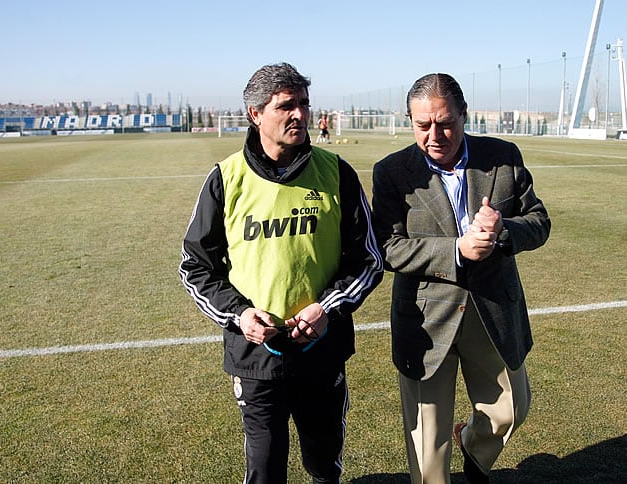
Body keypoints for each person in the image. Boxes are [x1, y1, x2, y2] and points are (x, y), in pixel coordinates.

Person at [179, 62, 383, 484]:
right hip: (255, 357)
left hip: (322, 352)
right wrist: (239, 315)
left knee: (323, 465)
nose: (299, 115)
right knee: (265, 469)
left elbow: (368, 259)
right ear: (255, 114)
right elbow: (196, 265)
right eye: (286, 106)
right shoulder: (225, 179)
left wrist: (327, 307)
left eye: (304, 104)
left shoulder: (336, 172)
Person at [371, 73, 551, 484]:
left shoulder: (503, 156)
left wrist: (502, 229)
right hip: (425, 322)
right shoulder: (393, 172)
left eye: (446, 122)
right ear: (410, 121)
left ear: (464, 115)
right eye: (423, 125)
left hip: (492, 312)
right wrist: (457, 249)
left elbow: (539, 221)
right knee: (429, 457)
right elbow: (387, 247)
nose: (435, 135)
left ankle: (473, 445)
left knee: (511, 410)